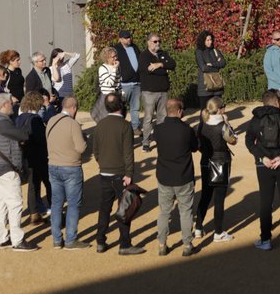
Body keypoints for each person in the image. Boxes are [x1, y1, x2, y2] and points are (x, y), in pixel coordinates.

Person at [245, 90, 280, 249]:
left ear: (264, 102)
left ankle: (265, 240)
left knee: (265, 201)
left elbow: (249, 141)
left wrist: (262, 157)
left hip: (264, 164)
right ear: (277, 102)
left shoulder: (256, 120)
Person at [92, 91, 145, 255]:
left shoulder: (100, 124)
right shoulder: (125, 125)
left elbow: (96, 150)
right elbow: (128, 153)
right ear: (121, 106)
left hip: (104, 173)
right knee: (124, 209)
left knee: (104, 208)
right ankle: (124, 244)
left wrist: (103, 164)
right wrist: (129, 173)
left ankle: (100, 241)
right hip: (121, 173)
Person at [0, 92, 38, 250]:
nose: (13, 105)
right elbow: (23, 135)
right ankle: (18, 240)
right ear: (4, 105)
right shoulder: (3, 122)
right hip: (6, 167)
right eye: (10, 102)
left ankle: (2, 238)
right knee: (15, 203)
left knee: (2, 203)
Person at [154, 97, 199, 257]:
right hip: (183, 176)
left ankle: (162, 244)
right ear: (179, 111)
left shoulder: (158, 129)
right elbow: (195, 147)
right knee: (185, 211)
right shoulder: (187, 129)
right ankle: (187, 244)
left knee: (164, 212)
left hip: (165, 176)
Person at [46, 96, 89, 249]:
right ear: (74, 108)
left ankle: (57, 239)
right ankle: (71, 239)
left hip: (53, 165)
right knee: (73, 204)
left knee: (56, 203)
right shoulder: (73, 124)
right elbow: (81, 148)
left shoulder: (51, 120)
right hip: (71, 167)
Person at [193, 96, 237, 242]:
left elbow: (197, 143)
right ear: (219, 109)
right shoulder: (222, 125)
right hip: (220, 162)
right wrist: (227, 122)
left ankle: (198, 228)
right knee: (219, 199)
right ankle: (218, 232)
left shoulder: (201, 125)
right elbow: (233, 140)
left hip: (205, 161)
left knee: (205, 195)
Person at [138, 34, 176, 151]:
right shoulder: (144, 55)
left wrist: (159, 64)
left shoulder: (163, 54)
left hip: (163, 91)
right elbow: (148, 70)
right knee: (148, 118)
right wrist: (164, 70)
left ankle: (160, 139)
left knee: (162, 117)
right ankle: (146, 142)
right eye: (155, 41)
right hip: (149, 92)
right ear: (148, 42)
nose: (158, 43)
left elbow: (173, 64)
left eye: (159, 41)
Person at [18, 90, 51, 224]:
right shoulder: (35, 119)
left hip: (26, 157)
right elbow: (41, 139)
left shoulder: (19, 118)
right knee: (49, 183)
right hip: (39, 156)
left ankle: (34, 213)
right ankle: (55, 210)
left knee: (33, 186)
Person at [114, 29, 142, 136]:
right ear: (120, 39)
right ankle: (120, 129)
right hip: (124, 84)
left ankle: (135, 127)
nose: (129, 39)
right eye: (126, 38)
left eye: (129, 37)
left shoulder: (134, 47)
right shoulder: (116, 49)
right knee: (121, 107)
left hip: (136, 83)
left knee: (135, 107)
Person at [194, 31, 226, 117]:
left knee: (219, 111)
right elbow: (203, 68)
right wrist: (217, 64)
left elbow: (223, 63)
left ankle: (218, 129)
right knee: (205, 113)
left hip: (217, 86)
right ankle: (202, 130)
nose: (210, 42)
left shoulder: (215, 50)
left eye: (211, 39)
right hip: (205, 87)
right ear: (202, 41)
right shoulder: (199, 51)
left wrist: (212, 64)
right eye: (207, 40)